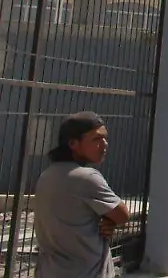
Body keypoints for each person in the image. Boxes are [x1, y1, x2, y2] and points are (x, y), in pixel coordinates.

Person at [34, 112, 130, 278]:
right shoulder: (86, 177)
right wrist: (110, 220)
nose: (104, 144)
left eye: (105, 138)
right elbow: (122, 214)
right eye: (96, 139)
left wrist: (105, 219)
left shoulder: (47, 175)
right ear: (73, 143)